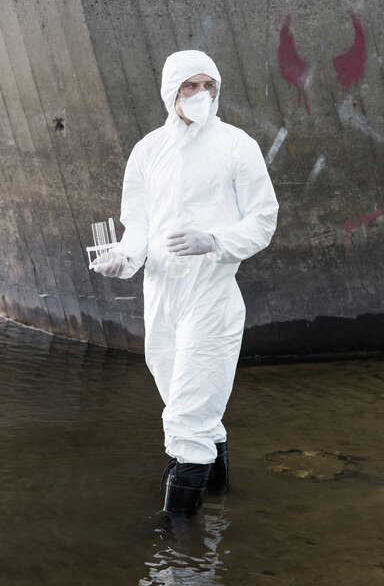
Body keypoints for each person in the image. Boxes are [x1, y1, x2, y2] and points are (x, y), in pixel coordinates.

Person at [91, 50, 279, 518]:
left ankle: (175, 537)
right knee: (183, 396)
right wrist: (123, 257)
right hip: (160, 295)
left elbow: (263, 219)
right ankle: (218, 500)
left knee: (186, 416)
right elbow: (137, 224)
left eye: (208, 86)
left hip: (210, 294)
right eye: (189, 87)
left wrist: (213, 240)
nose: (200, 96)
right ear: (170, 91)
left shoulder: (238, 145)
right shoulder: (148, 150)